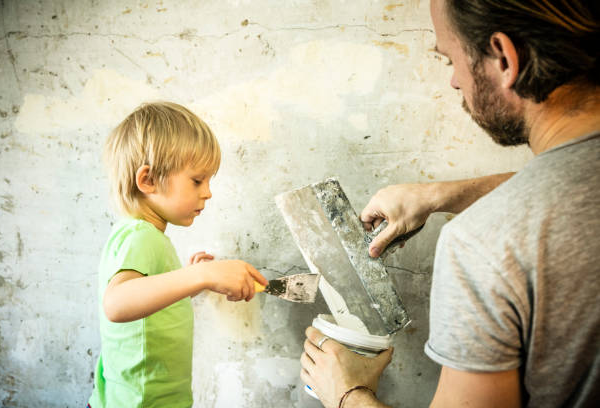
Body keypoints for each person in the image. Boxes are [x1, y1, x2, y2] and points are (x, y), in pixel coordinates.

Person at [301, 0, 600, 407]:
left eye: (450, 60)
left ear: (504, 57)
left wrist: (346, 392)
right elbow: (567, 189)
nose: (455, 82)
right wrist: (440, 195)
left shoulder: (481, 244)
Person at [87, 102, 268, 407]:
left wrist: (192, 281)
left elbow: (146, 302)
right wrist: (200, 275)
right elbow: (117, 304)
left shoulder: (144, 236)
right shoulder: (139, 236)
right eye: (197, 180)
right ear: (148, 180)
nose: (208, 191)